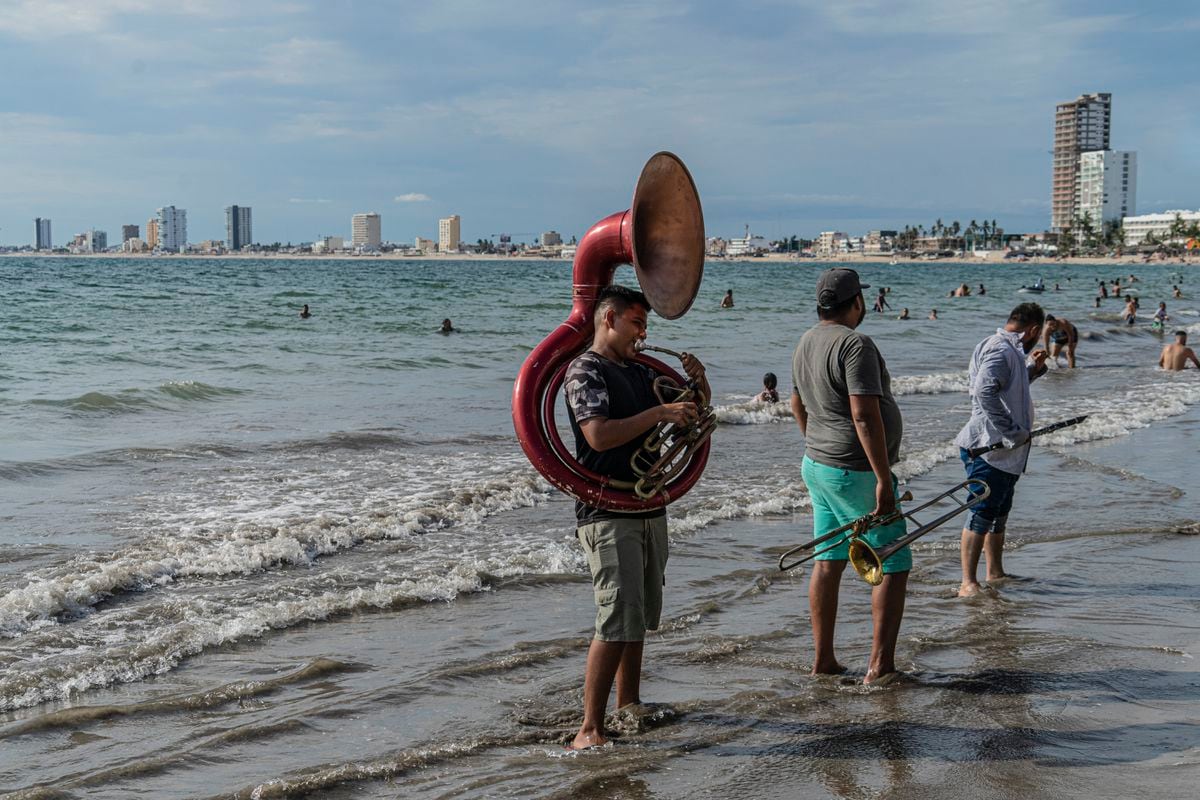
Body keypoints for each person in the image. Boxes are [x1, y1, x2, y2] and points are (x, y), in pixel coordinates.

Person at [563, 284, 709, 750]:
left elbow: (692, 415)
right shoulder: (585, 370)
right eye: (637, 324)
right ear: (609, 319)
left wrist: (698, 388)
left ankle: (629, 704)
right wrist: (660, 412)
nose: (643, 336)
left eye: (645, 326)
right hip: (607, 511)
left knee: (639, 613)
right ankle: (589, 728)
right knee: (615, 616)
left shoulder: (638, 371)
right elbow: (599, 435)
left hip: (647, 504)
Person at [790, 268, 908, 684]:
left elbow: (796, 404)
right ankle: (880, 667)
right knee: (893, 560)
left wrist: (817, 444)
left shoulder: (806, 340)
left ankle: (823, 660)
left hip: (818, 466)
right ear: (857, 301)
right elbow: (863, 413)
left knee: (828, 560)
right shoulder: (855, 344)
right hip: (855, 471)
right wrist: (881, 478)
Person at [954, 303, 1049, 597]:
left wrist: (1032, 370)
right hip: (988, 448)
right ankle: (967, 582)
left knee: (999, 512)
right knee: (981, 512)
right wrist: (1011, 432)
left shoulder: (1011, 351)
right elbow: (984, 391)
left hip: (1007, 452)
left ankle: (994, 571)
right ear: (1033, 330)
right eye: (1039, 334)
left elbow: (1008, 388)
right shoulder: (1000, 349)